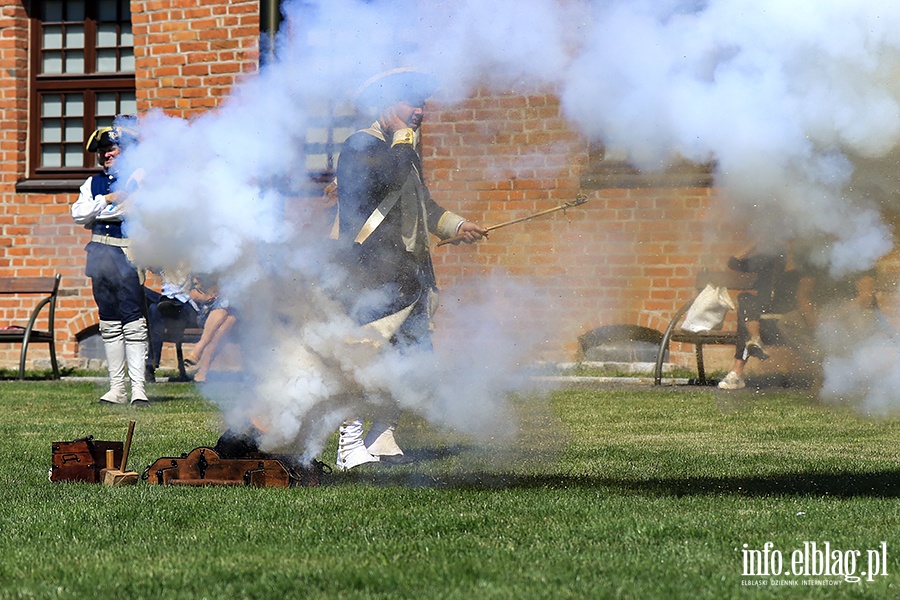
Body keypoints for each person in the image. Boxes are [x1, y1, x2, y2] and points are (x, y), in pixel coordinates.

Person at [331, 68, 487, 470]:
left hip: (407, 274)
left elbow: (424, 205)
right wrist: (403, 135)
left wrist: (456, 225)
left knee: (413, 362)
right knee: (364, 360)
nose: (420, 111)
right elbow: (386, 179)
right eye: (411, 103)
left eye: (423, 104)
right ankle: (348, 445)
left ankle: (382, 435)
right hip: (370, 273)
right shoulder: (361, 145)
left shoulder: (403, 148)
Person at [71, 124, 150, 406]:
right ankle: (117, 389)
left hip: (126, 255)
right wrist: (106, 199)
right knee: (109, 321)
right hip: (99, 256)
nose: (106, 154)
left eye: (112, 148)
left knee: (133, 322)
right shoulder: (93, 184)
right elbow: (78, 214)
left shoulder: (139, 178)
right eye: (103, 150)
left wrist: (103, 209)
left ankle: (138, 389)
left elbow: (130, 211)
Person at [718, 242, 795, 390]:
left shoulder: (802, 261)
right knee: (745, 299)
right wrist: (756, 241)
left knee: (745, 319)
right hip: (760, 317)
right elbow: (733, 263)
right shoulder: (768, 259)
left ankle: (737, 371)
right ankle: (755, 339)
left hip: (785, 317)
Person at [183, 275, 237, 383]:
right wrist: (208, 296)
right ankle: (202, 371)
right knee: (224, 311)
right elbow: (192, 294)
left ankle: (197, 351)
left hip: (232, 317)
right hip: (208, 316)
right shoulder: (204, 270)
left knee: (229, 318)